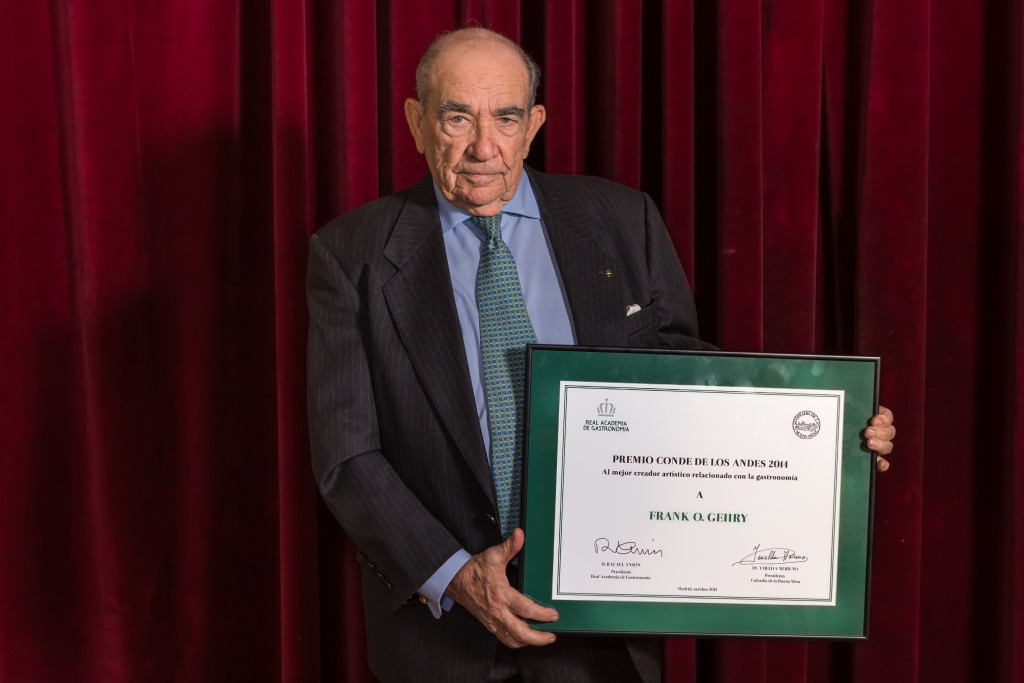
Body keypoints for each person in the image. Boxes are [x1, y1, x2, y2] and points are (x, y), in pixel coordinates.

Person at [306, 27, 896, 683]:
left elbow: (688, 391)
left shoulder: (623, 220)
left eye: (505, 118)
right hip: (444, 640)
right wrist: (456, 574)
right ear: (418, 123)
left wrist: (836, 436)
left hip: (605, 635)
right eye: (456, 117)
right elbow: (348, 456)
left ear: (533, 125)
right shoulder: (350, 256)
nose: (483, 147)